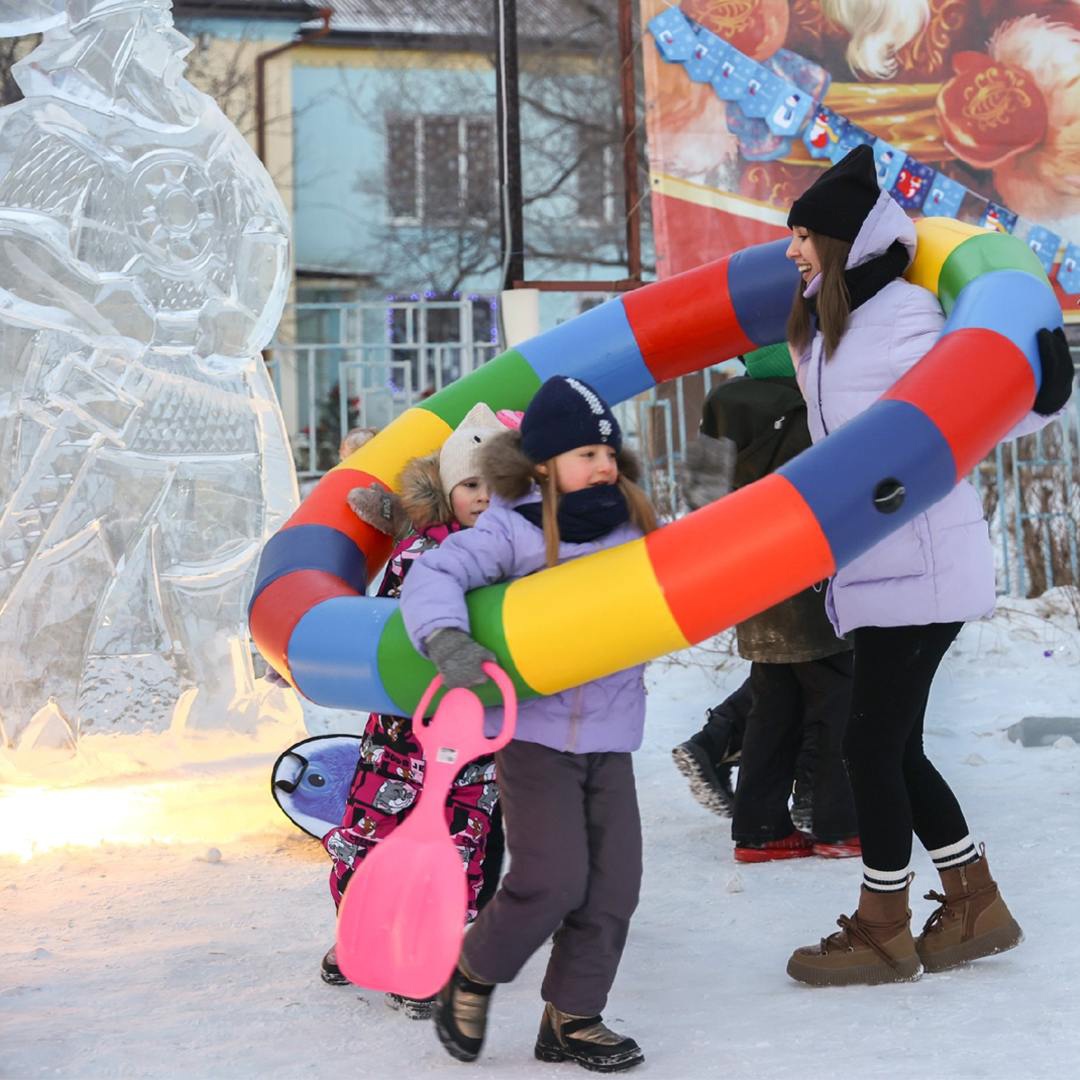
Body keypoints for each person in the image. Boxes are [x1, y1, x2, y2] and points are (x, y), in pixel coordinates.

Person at [780, 145, 1074, 986]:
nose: (794, 249)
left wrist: (1041, 394)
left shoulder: (910, 316)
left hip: (925, 558)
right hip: (871, 566)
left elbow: (974, 406)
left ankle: (884, 923)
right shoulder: (823, 331)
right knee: (892, 744)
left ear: (845, 241)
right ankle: (973, 898)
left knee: (870, 745)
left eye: (805, 235)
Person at [399, 376, 656, 1072]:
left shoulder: (632, 523)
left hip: (611, 734)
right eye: (584, 454)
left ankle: (572, 1018)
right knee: (552, 877)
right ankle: (472, 973)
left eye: (609, 451)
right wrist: (447, 638)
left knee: (614, 884)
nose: (603, 465)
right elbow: (433, 575)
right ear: (542, 464)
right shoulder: (510, 527)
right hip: (536, 734)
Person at [319, 403, 507, 1016]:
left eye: (496, 485)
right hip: (402, 730)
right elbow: (386, 634)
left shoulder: (522, 561)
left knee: (459, 845)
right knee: (373, 833)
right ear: (448, 491)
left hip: (474, 737)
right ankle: (359, 927)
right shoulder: (417, 554)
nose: (482, 497)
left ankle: (431, 950)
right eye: (470, 485)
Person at [672, 345, 858, 861]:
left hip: (753, 578)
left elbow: (700, 494)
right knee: (837, 696)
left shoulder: (723, 402)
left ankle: (759, 830)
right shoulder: (820, 399)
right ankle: (836, 824)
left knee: (773, 704)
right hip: (816, 575)